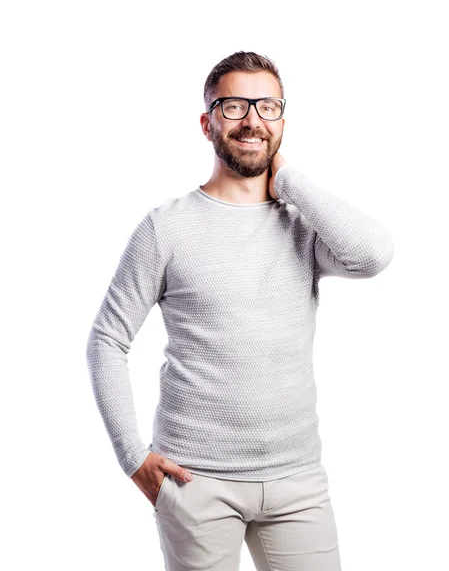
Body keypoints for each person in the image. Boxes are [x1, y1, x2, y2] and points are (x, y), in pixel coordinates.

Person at [86, 50, 394, 571]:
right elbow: (108, 340)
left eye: (267, 107)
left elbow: (372, 255)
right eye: (234, 106)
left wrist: (289, 181)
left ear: (281, 120)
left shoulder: (303, 225)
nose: (252, 119)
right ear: (207, 123)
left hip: (298, 480)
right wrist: (131, 457)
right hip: (195, 480)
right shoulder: (166, 228)